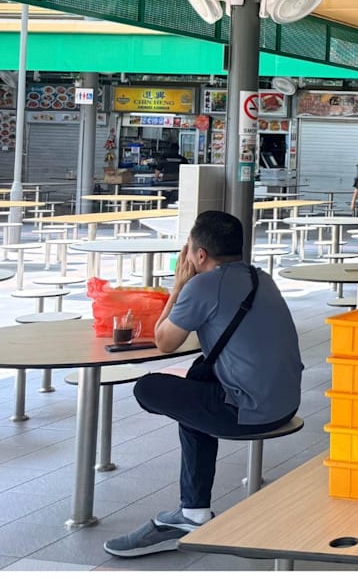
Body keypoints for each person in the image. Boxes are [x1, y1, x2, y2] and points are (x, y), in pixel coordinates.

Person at [104, 211, 303, 557]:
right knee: (197, 380)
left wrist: (179, 286)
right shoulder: (261, 278)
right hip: (286, 402)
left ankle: (193, 514)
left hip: (249, 412)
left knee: (148, 388)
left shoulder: (202, 285)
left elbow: (164, 341)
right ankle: (193, 511)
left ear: (199, 254)